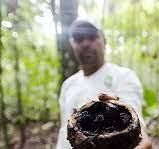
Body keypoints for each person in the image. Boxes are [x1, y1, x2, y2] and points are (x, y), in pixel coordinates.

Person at [56, 19, 152, 149]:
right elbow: (64, 130)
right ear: (72, 45)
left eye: (92, 37)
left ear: (104, 41)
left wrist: (139, 135)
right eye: (79, 38)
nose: (85, 43)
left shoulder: (124, 76)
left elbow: (134, 116)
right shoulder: (68, 85)